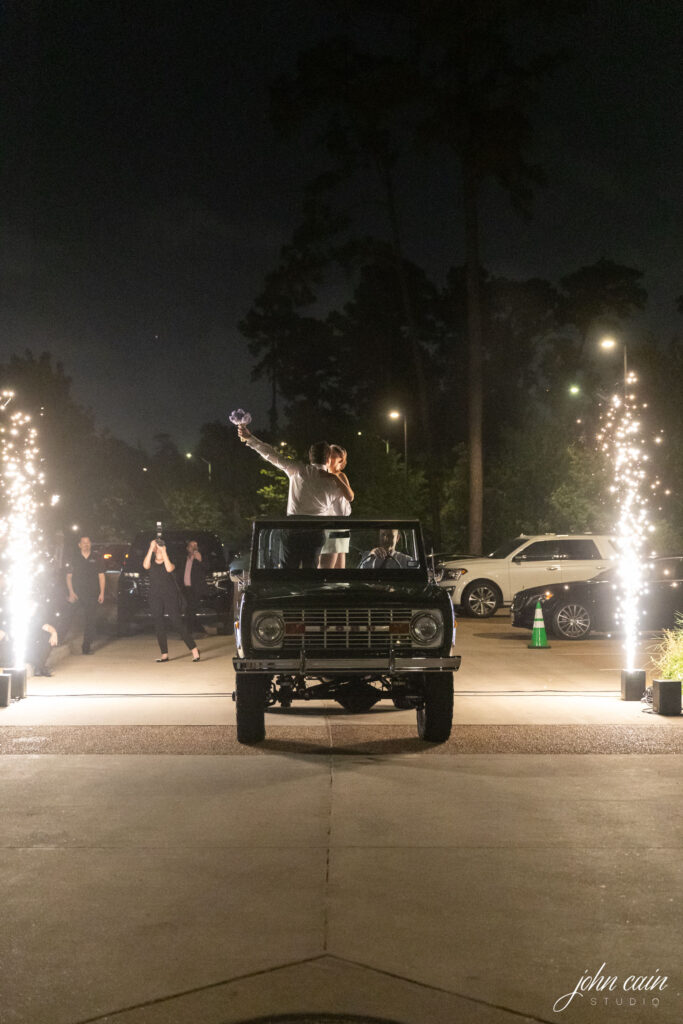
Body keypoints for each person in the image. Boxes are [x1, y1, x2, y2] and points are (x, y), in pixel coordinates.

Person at [238, 426, 354, 568]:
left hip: (293, 528)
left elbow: (271, 455)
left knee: (289, 569)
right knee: (310, 570)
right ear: (328, 459)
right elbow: (343, 513)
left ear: (310, 456)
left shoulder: (297, 470)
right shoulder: (333, 482)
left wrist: (250, 438)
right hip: (316, 532)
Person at [143, 538, 200, 662]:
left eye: (159, 546)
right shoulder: (151, 562)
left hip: (170, 595)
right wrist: (150, 547)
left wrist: (164, 551)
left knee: (177, 622)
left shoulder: (170, 561)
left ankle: (194, 649)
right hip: (155, 595)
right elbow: (145, 565)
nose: (157, 548)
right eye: (156, 547)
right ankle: (164, 654)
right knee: (158, 623)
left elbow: (169, 568)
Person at [65, 535, 105, 654]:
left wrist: (102, 592)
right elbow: (68, 577)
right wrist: (71, 592)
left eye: (88, 542)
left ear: (90, 544)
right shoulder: (74, 558)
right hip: (77, 593)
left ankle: (86, 647)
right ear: (79, 545)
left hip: (92, 593)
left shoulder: (97, 557)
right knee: (67, 617)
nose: (86, 544)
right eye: (83, 542)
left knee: (90, 621)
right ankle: (58, 638)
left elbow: (101, 576)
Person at [319, 444, 352, 569]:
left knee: (330, 564)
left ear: (340, 460)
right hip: (333, 524)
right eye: (328, 456)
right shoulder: (323, 475)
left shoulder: (340, 475)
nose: (329, 459)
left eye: (333, 456)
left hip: (338, 525)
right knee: (333, 563)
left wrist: (334, 477)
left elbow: (350, 496)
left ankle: (332, 586)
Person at [183, 539, 207, 635]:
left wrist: (198, 556)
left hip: (195, 588)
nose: (194, 547)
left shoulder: (198, 557)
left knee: (191, 609)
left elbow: (205, 568)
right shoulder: (185, 559)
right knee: (188, 609)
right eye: (192, 545)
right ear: (188, 548)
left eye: (196, 545)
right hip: (186, 588)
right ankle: (200, 629)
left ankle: (189, 632)